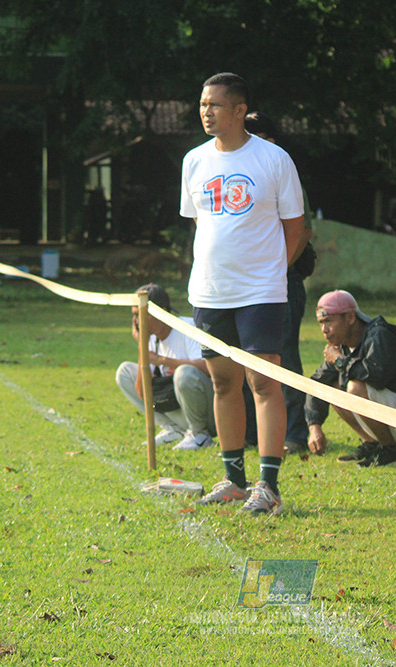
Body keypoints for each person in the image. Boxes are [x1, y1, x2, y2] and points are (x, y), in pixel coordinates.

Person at [180, 72, 305, 515]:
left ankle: (267, 485)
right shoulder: (194, 160)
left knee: (264, 383)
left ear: (238, 110)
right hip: (210, 292)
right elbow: (201, 223)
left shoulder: (273, 159)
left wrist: (271, 273)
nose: (206, 112)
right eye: (202, 104)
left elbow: (297, 229)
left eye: (214, 105)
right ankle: (234, 478)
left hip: (261, 294)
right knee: (222, 382)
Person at [244, 111, 317, 456]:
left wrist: (276, 269)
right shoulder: (243, 172)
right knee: (246, 358)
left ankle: (295, 434)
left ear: (270, 139)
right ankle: (250, 432)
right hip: (246, 283)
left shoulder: (282, 170)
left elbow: (302, 231)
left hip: (281, 281)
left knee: (284, 355)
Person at [305, 290, 396, 468]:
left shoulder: (380, 335)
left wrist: (339, 361)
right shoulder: (342, 347)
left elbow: (376, 376)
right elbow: (317, 383)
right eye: (321, 323)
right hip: (393, 420)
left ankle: (391, 454)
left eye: (329, 321)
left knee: (355, 388)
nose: (324, 330)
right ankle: (372, 445)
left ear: (350, 318)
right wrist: (314, 426)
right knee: (333, 387)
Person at [115, 284, 216, 451]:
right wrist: (143, 347)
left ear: (159, 312)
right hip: (179, 410)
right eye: (134, 315)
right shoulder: (149, 337)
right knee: (124, 372)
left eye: (140, 314)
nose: (135, 321)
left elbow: (208, 367)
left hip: (209, 413)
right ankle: (172, 429)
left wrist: (163, 360)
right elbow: (142, 393)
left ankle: (200, 435)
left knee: (184, 373)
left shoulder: (187, 327)